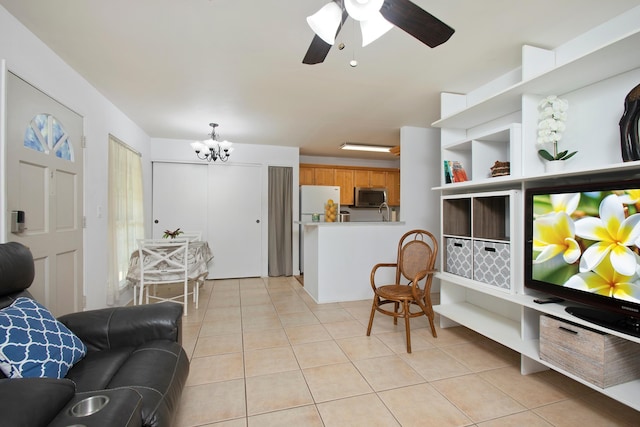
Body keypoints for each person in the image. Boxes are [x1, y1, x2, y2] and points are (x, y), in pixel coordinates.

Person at [620, 83, 640, 161]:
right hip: (633, 99)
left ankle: (636, 153)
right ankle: (627, 155)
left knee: (634, 121)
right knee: (629, 121)